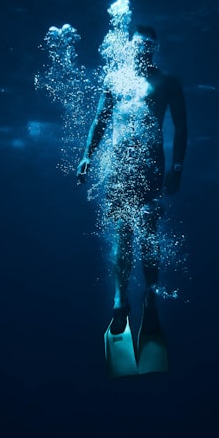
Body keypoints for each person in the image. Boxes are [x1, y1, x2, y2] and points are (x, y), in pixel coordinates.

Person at [77, 26, 187, 347]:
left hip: (151, 167)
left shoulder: (167, 82)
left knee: (149, 232)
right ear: (129, 46)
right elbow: (100, 121)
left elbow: (181, 128)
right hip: (119, 169)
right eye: (139, 45)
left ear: (155, 49)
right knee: (123, 232)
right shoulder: (115, 80)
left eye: (150, 47)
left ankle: (150, 299)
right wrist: (86, 156)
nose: (144, 51)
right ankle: (120, 299)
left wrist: (178, 167)